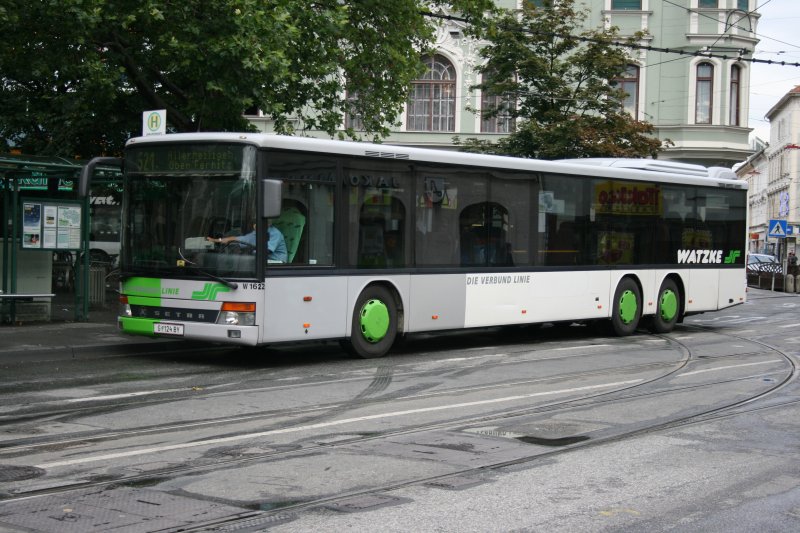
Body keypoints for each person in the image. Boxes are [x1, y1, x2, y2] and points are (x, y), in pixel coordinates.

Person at [207, 222, 288, 263]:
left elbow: (266, 251)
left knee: (246, 261)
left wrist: (248, 251)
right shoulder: (256, 232)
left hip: (276, 262)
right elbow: (236, 239)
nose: (254, 225)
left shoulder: (275, 233)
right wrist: (215, 240)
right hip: (262, 260)